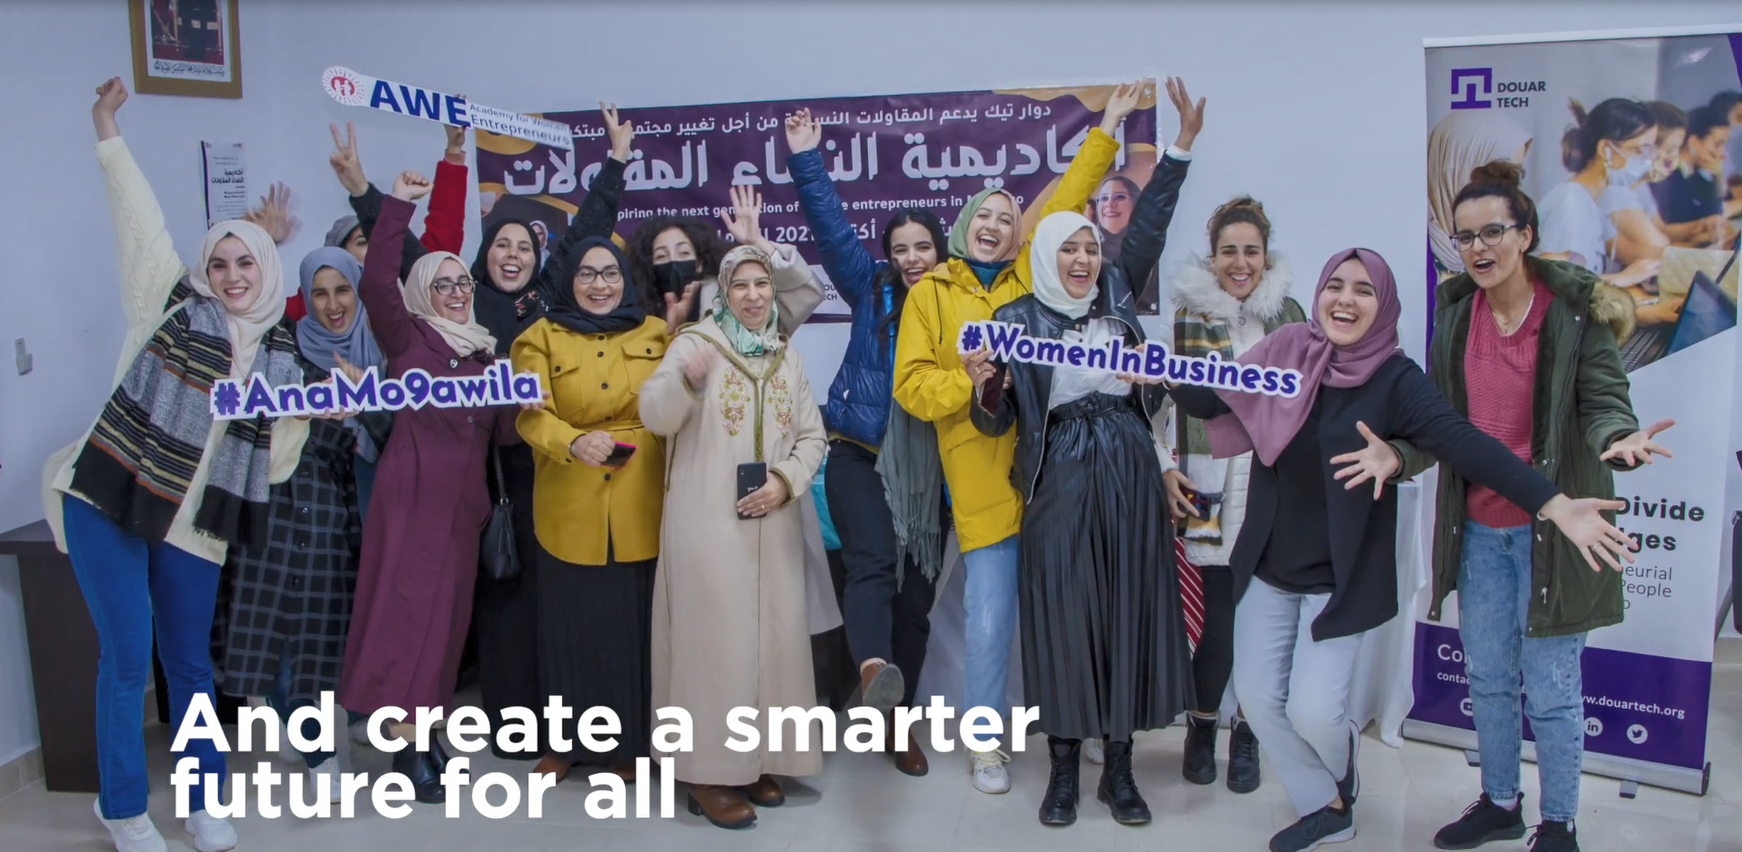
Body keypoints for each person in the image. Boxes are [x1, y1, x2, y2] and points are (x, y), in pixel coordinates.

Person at [1167, 247, 1638, 852]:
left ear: (1384, 304)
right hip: (1268, 566)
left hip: (1342, 577)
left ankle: (1341, 775)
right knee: (1257, 702)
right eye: (1334, 284)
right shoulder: (1287, 353)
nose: (1344, 299)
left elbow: (1467, 444)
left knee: (1315, 713)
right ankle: (1329, 804)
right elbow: (1211, 399)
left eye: (1363, 290)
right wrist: (1156, 370)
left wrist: (1553, 504)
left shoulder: (1396, 380)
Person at [43, 78, 305, 852]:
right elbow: (139, 221)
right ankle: (122, 807)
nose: (229, 276)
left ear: (266, 271)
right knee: (128, 657)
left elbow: (279, 466)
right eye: (218, 262)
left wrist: (301, 407)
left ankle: (203, 802)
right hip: (111, 495)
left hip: (195, 518)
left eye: (244, 264)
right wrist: (105, 129)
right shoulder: (165, 303)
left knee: (189, 664)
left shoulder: (284, 358)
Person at [1388, 161, 1672, 852]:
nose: (1478, 249)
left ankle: (1560, 821)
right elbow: (1443, 425)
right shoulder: (1455, 317)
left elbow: (1604, 402)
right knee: (1486, 676)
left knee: (1550, 688)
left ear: (1526, 235)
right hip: (1480, 532)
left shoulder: (1574, 315)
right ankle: (1501, 802)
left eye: (1492, 233)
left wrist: (1615, 442)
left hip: (1555, 531)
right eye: (1464, 238)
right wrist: (1397, 455)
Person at [893, 78, 1146, 795]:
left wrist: (1110, 130)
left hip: (1058, 471)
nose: (998, 224)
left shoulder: (1027, 287)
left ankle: (1096, 727)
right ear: (965, 224)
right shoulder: (931, 295)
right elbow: (912, 385)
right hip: (982, 479)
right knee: (991, 619)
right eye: (986, 215)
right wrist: (966, 383)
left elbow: (1068, 203)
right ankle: (985, 744)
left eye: (1009, 218)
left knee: (1081, 606)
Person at [965, 91, 1198, 825]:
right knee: (1063, 615)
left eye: (1090, 248)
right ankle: (1063, 768)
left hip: (1127, 460)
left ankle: (1119, 770)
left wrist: (1181, 147)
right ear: (1043, 254)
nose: (1082, 258)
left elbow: (1151, 221)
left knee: (1126, 608)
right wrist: (984, 388)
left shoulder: (1119, 298)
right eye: (1067, 247)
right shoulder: (1014, 319)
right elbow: (994, 415)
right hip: (1058, 468)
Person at [336, 171, 532, 804]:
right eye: (440, 283)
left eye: (460, 283)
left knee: (446, 626)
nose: (453, 291)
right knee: (408, 619)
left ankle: (430, 732)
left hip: (462, 508)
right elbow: (374, 279)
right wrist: (396, 205)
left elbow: (502, 437)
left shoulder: (483, 353)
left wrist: (526, 395)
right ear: (423, 291)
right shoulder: (408, 336)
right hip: (412, 495)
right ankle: (406, 748)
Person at [640, 244, 830, 830]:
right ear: (722, 293)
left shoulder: (784, 356)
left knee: (773, 641)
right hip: (706, 524)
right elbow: (653, 412)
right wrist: (689, 383)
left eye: (762, 285)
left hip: (772, 522)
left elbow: (812, 438)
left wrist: (783, 481)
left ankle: (758, 758)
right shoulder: (696, 344)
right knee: (712, 647)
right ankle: (704, 771)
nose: (753, 296)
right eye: (740, 286)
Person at [784, 107, 950, 776]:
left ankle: (892, 718)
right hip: (857, 449)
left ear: (942, 251)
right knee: (874, 563)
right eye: (900, 247)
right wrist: (805, 159)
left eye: (923, 246)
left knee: (915, 599)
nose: (911, 258)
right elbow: (829, 229)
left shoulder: (961, 304)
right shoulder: (871, 289)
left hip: (930, 470)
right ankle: (872, 670)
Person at [211, 247, 378, 803]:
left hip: (367, 502)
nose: (332, 305)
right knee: (288, 635)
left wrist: (367, 406)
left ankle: (332, 731)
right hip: (294, 507)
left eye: (343, 290)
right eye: (320, 293)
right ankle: (317, 750)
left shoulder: (382, 349)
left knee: (343, 628)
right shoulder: (282, 351)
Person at [512, 232, 678, 784]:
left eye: (609, 274)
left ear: (626, 279)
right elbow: (530, 414)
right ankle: (564, 746)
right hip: (569, 498)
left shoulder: (658, 333)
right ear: (568, 280)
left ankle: (630, 743)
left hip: (641, 497)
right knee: (568, 626)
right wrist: (571, 441)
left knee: (634, 625)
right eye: (586, 274)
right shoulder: (539, 337)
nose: (599, 285)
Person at [1158, 196, 1304, 794]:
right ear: (1212, 256)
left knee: (1264, 624)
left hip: (1274, 489)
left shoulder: (1292, 316)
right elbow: (1159, 402)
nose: (1240, 263)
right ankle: (1202, 727)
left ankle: (1249, 734)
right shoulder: (1188, 318)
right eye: (1228, 251)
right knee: (1219, 623)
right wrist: (1165, 466)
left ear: (1266, 256)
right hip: (1211, 487)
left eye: (1251, 251)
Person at [1535, 99, 1659, 291]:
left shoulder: (1591, 201)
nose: (1647, 161)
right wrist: (1624, 278)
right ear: (1605, 150)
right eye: (1639, 150)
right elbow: (1560, 286)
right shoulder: (1570, 201)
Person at [1429, 112, 1535, 285]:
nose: (1506, 193)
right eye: (1498, 177)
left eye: (1512, 180)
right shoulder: (1402, 251)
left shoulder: (1508, 255)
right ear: (1456, 171)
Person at [1655, 105, 1731, 246]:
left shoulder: (1696, 179)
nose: (1723, 153)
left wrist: (1718, 175)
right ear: (1694, 142)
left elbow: (1715, 212)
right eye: (1717, 144)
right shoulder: (1665, 179)